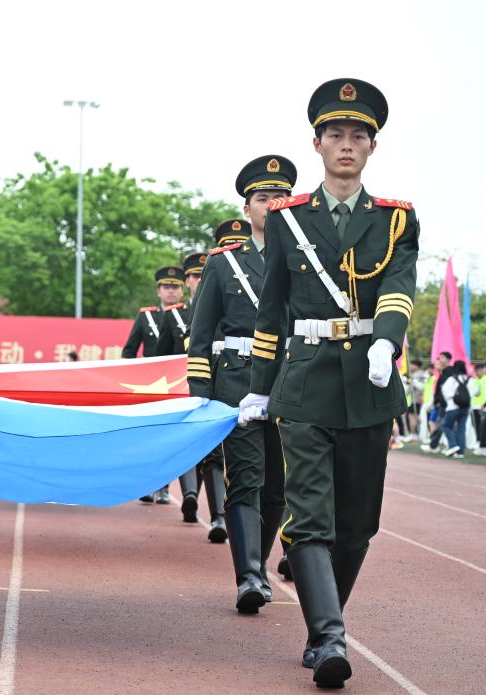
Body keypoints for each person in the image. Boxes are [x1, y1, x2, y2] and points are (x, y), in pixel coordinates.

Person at [238, 78, 419, 688]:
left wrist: (386, 340)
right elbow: (271, 310)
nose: (346, 144)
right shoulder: (288, 219)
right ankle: (329, 637)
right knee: (309, 515)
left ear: (372, 147)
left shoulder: (395, 220)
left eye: (357, 136)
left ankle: (324, 624)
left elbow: (399, 285)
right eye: (335, 134)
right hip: (306, 382)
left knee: (358, 523)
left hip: (369, 382)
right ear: (316, 145)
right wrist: (261, 385)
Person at [189, 154, 297, 611]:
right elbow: (200, 335)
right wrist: (201, 395)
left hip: (291, 383)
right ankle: (249, 576)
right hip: (237, 383)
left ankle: (261, 562)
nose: (272, 204)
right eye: (263, 198)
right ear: (247, 208)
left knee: (278, 488)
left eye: (281, 197)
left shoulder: (307, 260)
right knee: (247, 479)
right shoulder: (223, 263)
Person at [124, 266, 184, 504]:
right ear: (158, 290)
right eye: (166, 287)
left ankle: (163, 487)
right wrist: (134, 379)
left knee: (170, 438)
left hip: (177, 386)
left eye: (175, 287)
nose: (171, 291)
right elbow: (129, 350)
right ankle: (146, 484)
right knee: (147, 437)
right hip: (150, 386)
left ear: (182, 291)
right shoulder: (146, 316)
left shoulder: (188, 315)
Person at [158, 251, 208, 523]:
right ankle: (189, 495)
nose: (199, 280)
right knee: (189, 441)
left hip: (219, 382)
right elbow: (161, 358)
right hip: (182, 388)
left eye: (203, 275)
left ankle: (211, 508)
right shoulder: (175, 315)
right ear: (187, 280)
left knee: (213, 450)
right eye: (195, 276)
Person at [420, 351, 452, 452]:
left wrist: (438, 401)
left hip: (446, 404)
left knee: (442, 424)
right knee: (440, 424)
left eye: (442, 358)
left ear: (448, 360)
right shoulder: (441, 374)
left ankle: (436, 445)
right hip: (440, 403)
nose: (439, 361)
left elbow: (445, 390)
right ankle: (438, 444)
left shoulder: (449, 372)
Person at [439, 360, 469, 458]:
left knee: (446, 426)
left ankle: (453, 445)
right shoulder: (468, 378)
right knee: (461, 429)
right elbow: (474, 392)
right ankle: (460, 452)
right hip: (465, 407)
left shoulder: (452, 379)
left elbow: (445, 391)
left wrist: (451, 399)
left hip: (453, 406)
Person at [468, 363, 486, 454]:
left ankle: (483, 443)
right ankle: (478, 441)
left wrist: (485, 404)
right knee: (476, 425)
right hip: (475, 406)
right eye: (476, 371)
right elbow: (473, 392)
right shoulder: (476, 380)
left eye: (479, 370)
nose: (478, 372)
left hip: (483, 407)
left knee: (482, 426)